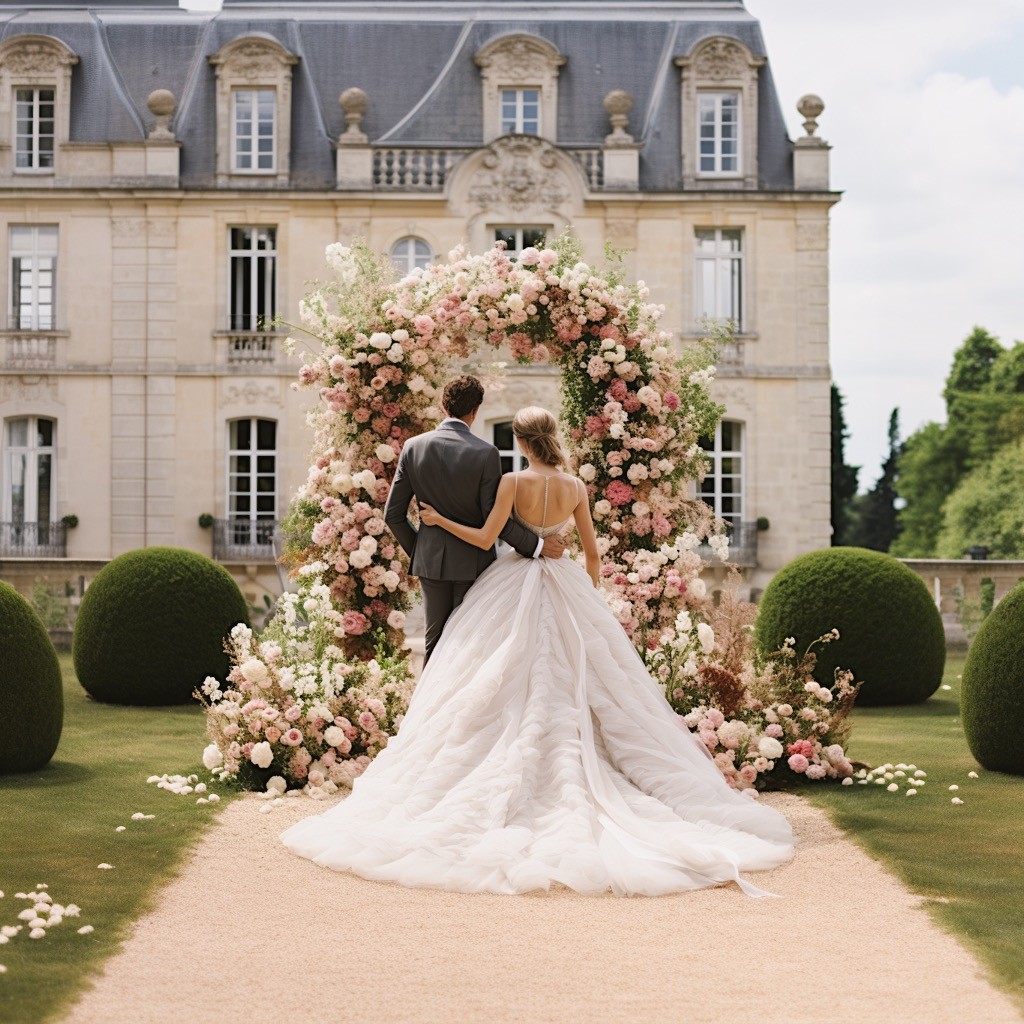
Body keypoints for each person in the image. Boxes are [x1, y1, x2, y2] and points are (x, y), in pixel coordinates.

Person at [280, 406, 796, 897]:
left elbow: (487, 537)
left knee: (494, 672)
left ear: (521, 442)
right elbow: (592, 555)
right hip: (566, 584)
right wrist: (586, 598)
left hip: (512, 580)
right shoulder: (574, 486)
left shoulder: (511, 482)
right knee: (583, 680)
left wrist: (437, 522)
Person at [382, 375, 566, 662]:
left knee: (435, 641)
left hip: (431, 563)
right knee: (471, 644)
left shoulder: (413, 447)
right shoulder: (485, 453)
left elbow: (393, 516)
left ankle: (429, 706)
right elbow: (498, 519)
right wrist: (537, 545)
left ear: (444, 406)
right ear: (475, 410)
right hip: (475, 561)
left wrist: (422, 550)